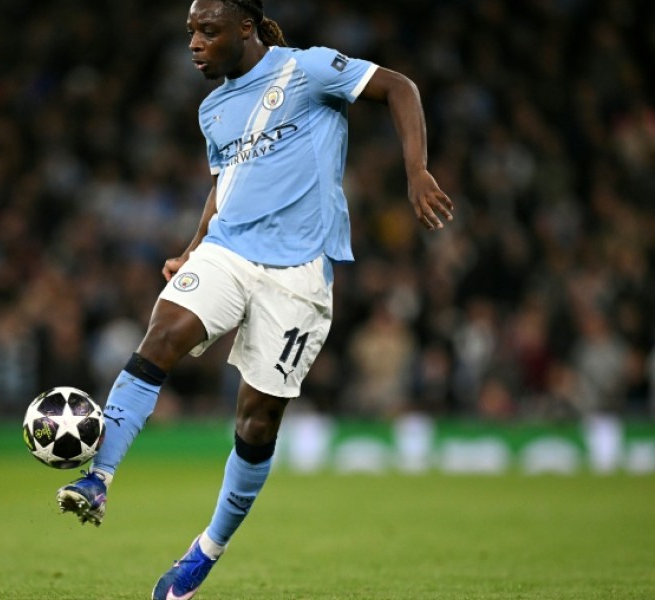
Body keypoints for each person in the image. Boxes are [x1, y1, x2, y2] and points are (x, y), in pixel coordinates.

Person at [57, 0, 454, 597]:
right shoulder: (212, 109)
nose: (194, 42)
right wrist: (193, 247)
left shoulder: (311, 70)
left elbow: (400, 87)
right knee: (161, 336)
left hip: (298, 272)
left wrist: (416, 169)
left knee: (256, 419)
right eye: (190, 30)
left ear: (245, 28)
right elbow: (226, 184)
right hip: (229, 252)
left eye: (208, 31)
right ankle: (98, 477)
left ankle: (204, 553)